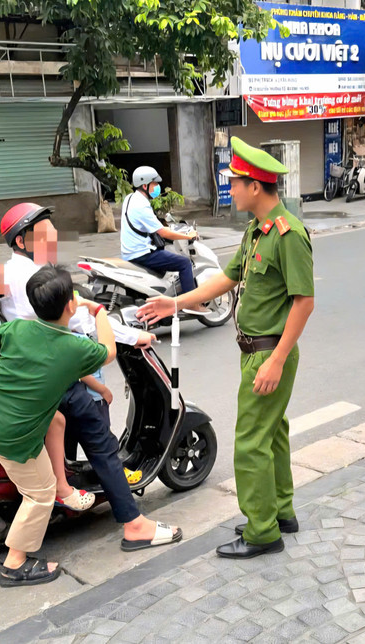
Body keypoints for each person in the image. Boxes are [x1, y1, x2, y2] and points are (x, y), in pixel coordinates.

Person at [138, 137, 315, 559]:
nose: (229, 189)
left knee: (251, 441)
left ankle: (261, 532)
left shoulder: (289, 235)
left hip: (269, 353)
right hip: (255, 351)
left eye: (234, 182)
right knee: (273, 434)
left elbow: (304, 302)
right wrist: (175, 303)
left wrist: (274, 359)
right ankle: (279, 513)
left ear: (255, 187)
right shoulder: (258, 229)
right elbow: (228, 277)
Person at [0, 203, 179, 550]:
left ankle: (65, 500)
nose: (52, 240)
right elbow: (80, 322)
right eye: (45, 235)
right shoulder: (35, 279)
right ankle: (134, 525)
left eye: (53, 233)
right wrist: (131, 334)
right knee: (103, 448)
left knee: (68, 437)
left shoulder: (8, 272)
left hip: (27, 376)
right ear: (22, 240)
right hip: (59, 377)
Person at [0, 265, 117, 586]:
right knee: (40, 494)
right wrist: (97, 310)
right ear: (71, 304)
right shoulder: (75, 348)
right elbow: (109, 351)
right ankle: (15, 564)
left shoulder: (12, 328)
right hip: (9, 433)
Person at [0, 254, 94, 511]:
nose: (4, 279)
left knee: (57, 420)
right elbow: (1, 363)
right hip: (1, 396)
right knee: (57, 420)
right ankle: (61, 489)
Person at [120, 166, 205, 309]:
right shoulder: (141, 206)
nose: (158, 187)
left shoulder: (130, 198)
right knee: (184, 263)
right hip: (142, 254)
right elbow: (163, 233)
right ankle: (191, 303)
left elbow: (150, 226)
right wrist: (187, 235)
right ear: (145, 185)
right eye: (155, 184)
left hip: (129, 252)